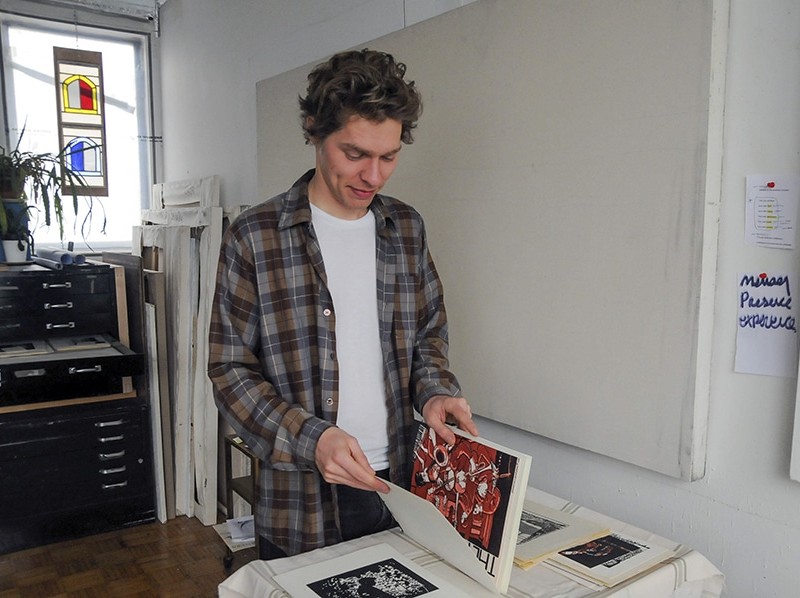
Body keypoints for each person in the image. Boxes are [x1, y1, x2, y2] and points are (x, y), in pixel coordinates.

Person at [208, 48, 478, 560]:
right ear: (314, 130)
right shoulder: (255, 237)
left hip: (405, 484)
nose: (373, 176)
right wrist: (312, 439)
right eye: (354, 154)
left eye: (388, 157)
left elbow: (428, 334)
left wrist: (436, 392)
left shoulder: (406, 228)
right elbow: (230, 370)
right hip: (301, 500)